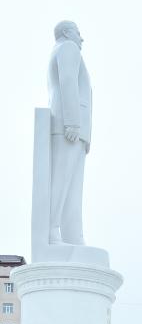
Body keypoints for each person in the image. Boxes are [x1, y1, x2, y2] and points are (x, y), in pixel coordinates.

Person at [48, 20, 92, 246]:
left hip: (75, 129)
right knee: (61, 181)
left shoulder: (66, 49)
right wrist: (73, 122)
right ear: (67, 32)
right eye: (78, 31)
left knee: (73, 187)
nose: (81, 37)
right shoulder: (67, 47)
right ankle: (52, 230)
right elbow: (67, 81)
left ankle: (72, 236)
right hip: (68, 126)